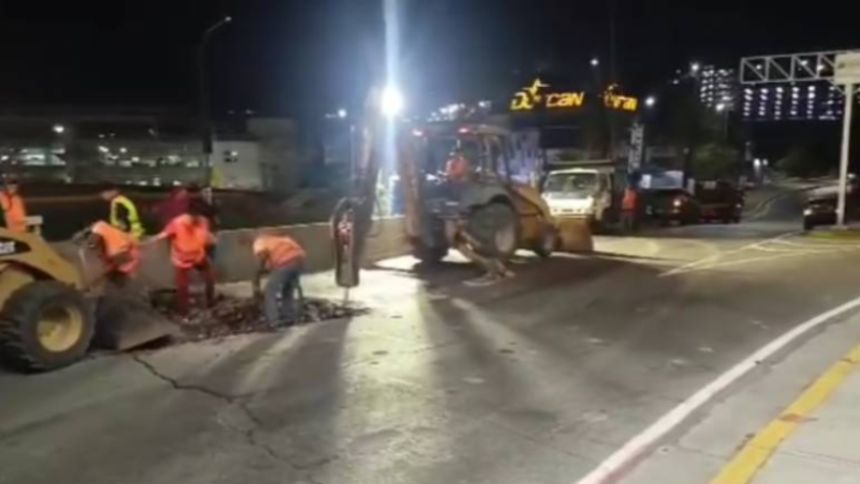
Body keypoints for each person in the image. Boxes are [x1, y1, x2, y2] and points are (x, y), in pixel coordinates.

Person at [153, 201, 216, 315]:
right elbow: (163, 234)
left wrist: (211, 240)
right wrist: (150, 242)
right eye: (195, 216)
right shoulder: (178, 222)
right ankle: (184, 311)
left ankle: (210, 302)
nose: (197, 219)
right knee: (182, 286)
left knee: (210, 276)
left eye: (199, 216)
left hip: (198, 255)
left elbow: (206, 237)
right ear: (190, 214)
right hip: (181, 258)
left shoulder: (204, 222)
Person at [252, 233, 306, 326]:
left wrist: (261, 267)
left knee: (269, 291)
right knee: (287, 290)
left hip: (285, 263)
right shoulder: (278, 241)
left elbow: (264, 254)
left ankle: (273, 320)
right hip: (298, 261)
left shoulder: (260, 242)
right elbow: (273, 260)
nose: (259, 257)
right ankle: (289, 317)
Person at [81, 220, 141, 288]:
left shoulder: (98, 228)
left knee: (112, 271)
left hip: (116, 254)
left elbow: (92, 244)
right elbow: (132, 241)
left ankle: (118, 282)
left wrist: (91, 246)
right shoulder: (113, 229)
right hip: (125, 251)